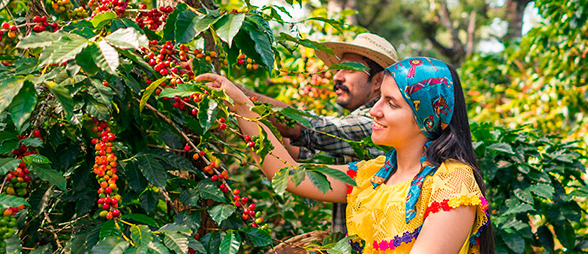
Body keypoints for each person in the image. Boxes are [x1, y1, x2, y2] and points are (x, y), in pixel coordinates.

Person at [202, 57, 493, 253]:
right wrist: (242, 108)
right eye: (379, 99)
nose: (375, 111)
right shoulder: (374, 174)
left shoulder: (452, 184)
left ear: (427, 116)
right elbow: (289, 174)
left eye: (392, 104)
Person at [196, 32, 397, 233]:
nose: (336, 77)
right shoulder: (354, 142)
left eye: (348, 69)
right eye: (337, 69)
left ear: (378, 81)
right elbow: (299, 155)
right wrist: (249, 113)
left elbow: (311, 128)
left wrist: (242, 98)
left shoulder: (376, 126)